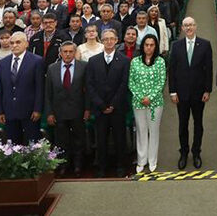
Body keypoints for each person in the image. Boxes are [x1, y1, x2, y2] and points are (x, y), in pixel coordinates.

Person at [168, 17, 213, 170]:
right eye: (186, 25)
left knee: (198, 124)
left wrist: (208, 90)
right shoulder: (176, 45)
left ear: (196, 26)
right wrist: (172, 92)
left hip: (199, 93)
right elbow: (172, 70)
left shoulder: (205, 45)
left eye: (191, 25)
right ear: (182, 28)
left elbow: (209, 69)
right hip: (181, 94)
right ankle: (184, 152)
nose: (189, 28)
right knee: (182, 125)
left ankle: (196, 152)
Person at [86, 29, 130, 178]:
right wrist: (101, 105)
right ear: (101, 41)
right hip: (100, 108)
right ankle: (101, 167)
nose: (109, 41)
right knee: (101, 140)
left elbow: (124, 85)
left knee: (119, 139)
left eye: (112, 39)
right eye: (106, 39)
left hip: (117, 108)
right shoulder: (93, 61)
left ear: (117, 40)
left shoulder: (124, 60)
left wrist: (112, 105)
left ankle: (120, 166)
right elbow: (90, 85)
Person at [46, 41, 89, 176]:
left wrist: (87, 109)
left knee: (78, 140)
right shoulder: (52, 68)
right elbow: (48, 93)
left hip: (78, 110)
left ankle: (77, 166)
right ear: (60, 53)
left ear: (75, 53)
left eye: (71, 51)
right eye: (65, 51)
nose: (68, 54)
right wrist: (50, 113)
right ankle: (63, 165)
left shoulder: (84, 67)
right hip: (59, 111)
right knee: (61, 141)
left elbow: (88, 90)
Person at [0, 32, 44, 144]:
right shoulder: (2, 63)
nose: (14, 45)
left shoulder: (37, 61)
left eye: (18, 42)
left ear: (26, 44)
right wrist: (0, 111)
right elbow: (0, 89)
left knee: (32, 146)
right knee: (12, 147)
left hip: (30, 112)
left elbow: (40, 87)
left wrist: (37, 109)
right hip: (9, 112)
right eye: (12, 43)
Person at [129, 34, 166, 174]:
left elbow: (161, 82)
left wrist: (150, 97)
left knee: (153, 131)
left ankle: (152, 160)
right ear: (142, 46)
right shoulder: (135, 61)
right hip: (138, 102)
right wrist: (140, 97)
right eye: (146, 44)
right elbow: (131, 82)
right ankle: (141, 160)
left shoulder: (160, 61)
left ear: (155, 46)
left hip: (155, 103)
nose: (149, 47)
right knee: (141, 130)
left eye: (152, 45)